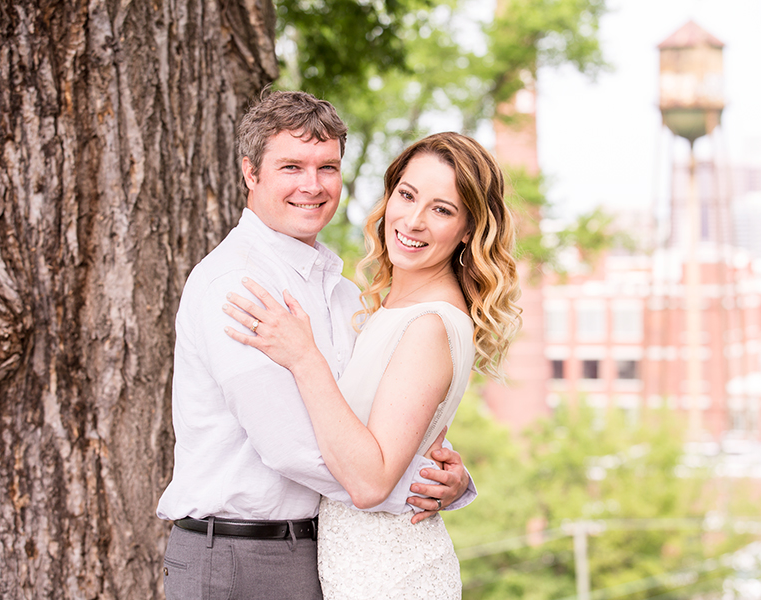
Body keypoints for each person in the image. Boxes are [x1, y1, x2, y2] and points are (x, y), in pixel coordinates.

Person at [156, 91, 477, 599]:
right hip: (240, 557)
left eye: (326, 167)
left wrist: (447, 477)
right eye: (291, 166)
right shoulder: (239, 285)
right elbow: (291, 445)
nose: (312, 185)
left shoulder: (343, 291)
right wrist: (407, 487)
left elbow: (372, 415)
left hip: (319, 552)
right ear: (250, 173)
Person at [222, 131, 522, 598]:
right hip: (358, 569)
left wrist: (305, 359)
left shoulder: (429, 323)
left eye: (442, 209)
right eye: (407, 195)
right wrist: (448, 478)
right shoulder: (392, 310)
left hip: (390, 575)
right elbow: (393, 429)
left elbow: (369, 482)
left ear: (468, 228)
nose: (414, 220)